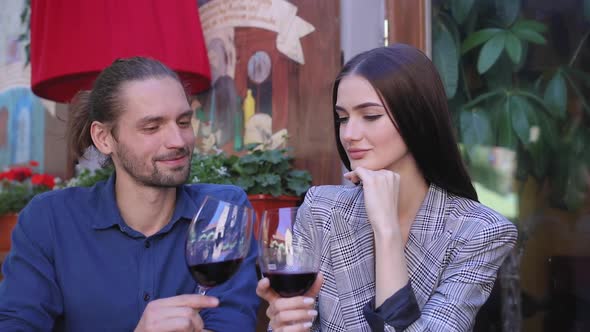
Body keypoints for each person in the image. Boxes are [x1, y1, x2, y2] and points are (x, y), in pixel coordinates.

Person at [256, 44, 518, 331]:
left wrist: (387, 230)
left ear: (416, 117)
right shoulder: (322, 209)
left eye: (370, 116)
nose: (350, 134)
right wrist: (284, 325)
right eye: (343, 118)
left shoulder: (479, 232)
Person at [0, 57, 260, 331]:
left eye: (183, 122)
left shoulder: (222, 211)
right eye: (152, 127)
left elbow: (232, 322)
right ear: (104, 138)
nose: (178, 141)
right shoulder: (50, 220)